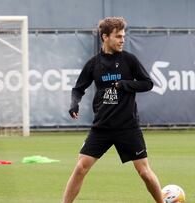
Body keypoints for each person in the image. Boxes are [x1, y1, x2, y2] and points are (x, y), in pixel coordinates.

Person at [62, 17, 164, 203]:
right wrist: (74, 103)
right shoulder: (93, 64)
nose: (122, 40)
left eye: (123, 36)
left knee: (144, 172)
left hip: (127, 127)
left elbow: (147, 83)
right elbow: (78, 89)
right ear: (105, 37)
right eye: (118, 36)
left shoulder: (129, 60)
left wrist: (125, 84)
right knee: (80, 167)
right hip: (102, 127)